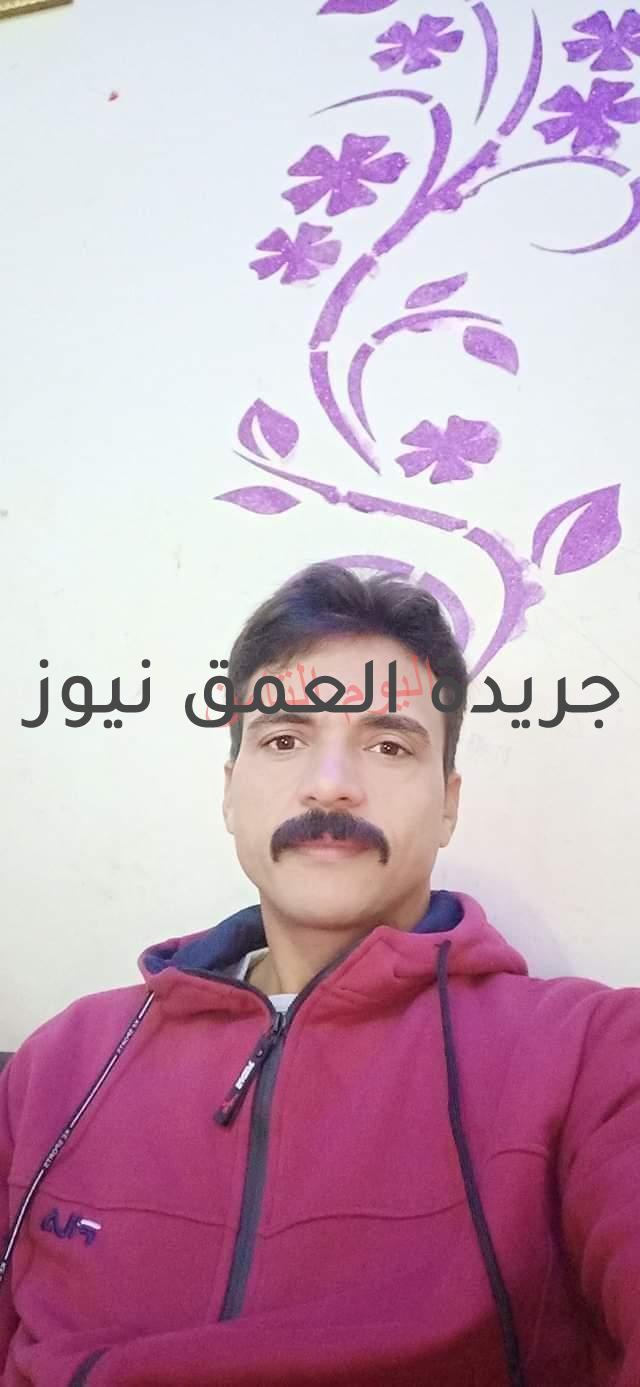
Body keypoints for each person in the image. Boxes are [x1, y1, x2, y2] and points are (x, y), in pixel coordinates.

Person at [1, 562, 638, 1387]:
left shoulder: (592, 1056)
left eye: (388, 743)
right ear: (230, 792)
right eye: (283, 739)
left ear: (448, 802)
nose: (331, 783)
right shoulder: (57, 1064)